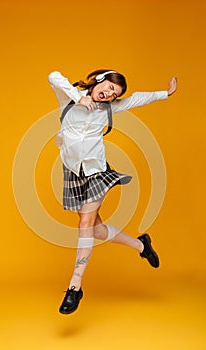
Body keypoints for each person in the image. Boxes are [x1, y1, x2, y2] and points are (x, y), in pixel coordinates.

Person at [48, 69, 177, 315]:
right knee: (96, 229)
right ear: (98, 81)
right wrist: (78, 98)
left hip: (98, 171)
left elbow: (138, 98)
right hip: (74, 173)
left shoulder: (109, 108)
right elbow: (53, 75)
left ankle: (75, 286)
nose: (108, 95)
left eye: (113, 94)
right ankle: (142, 246)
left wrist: (165, 93)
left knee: (85, 224)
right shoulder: (69, 98)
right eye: (107, 88)